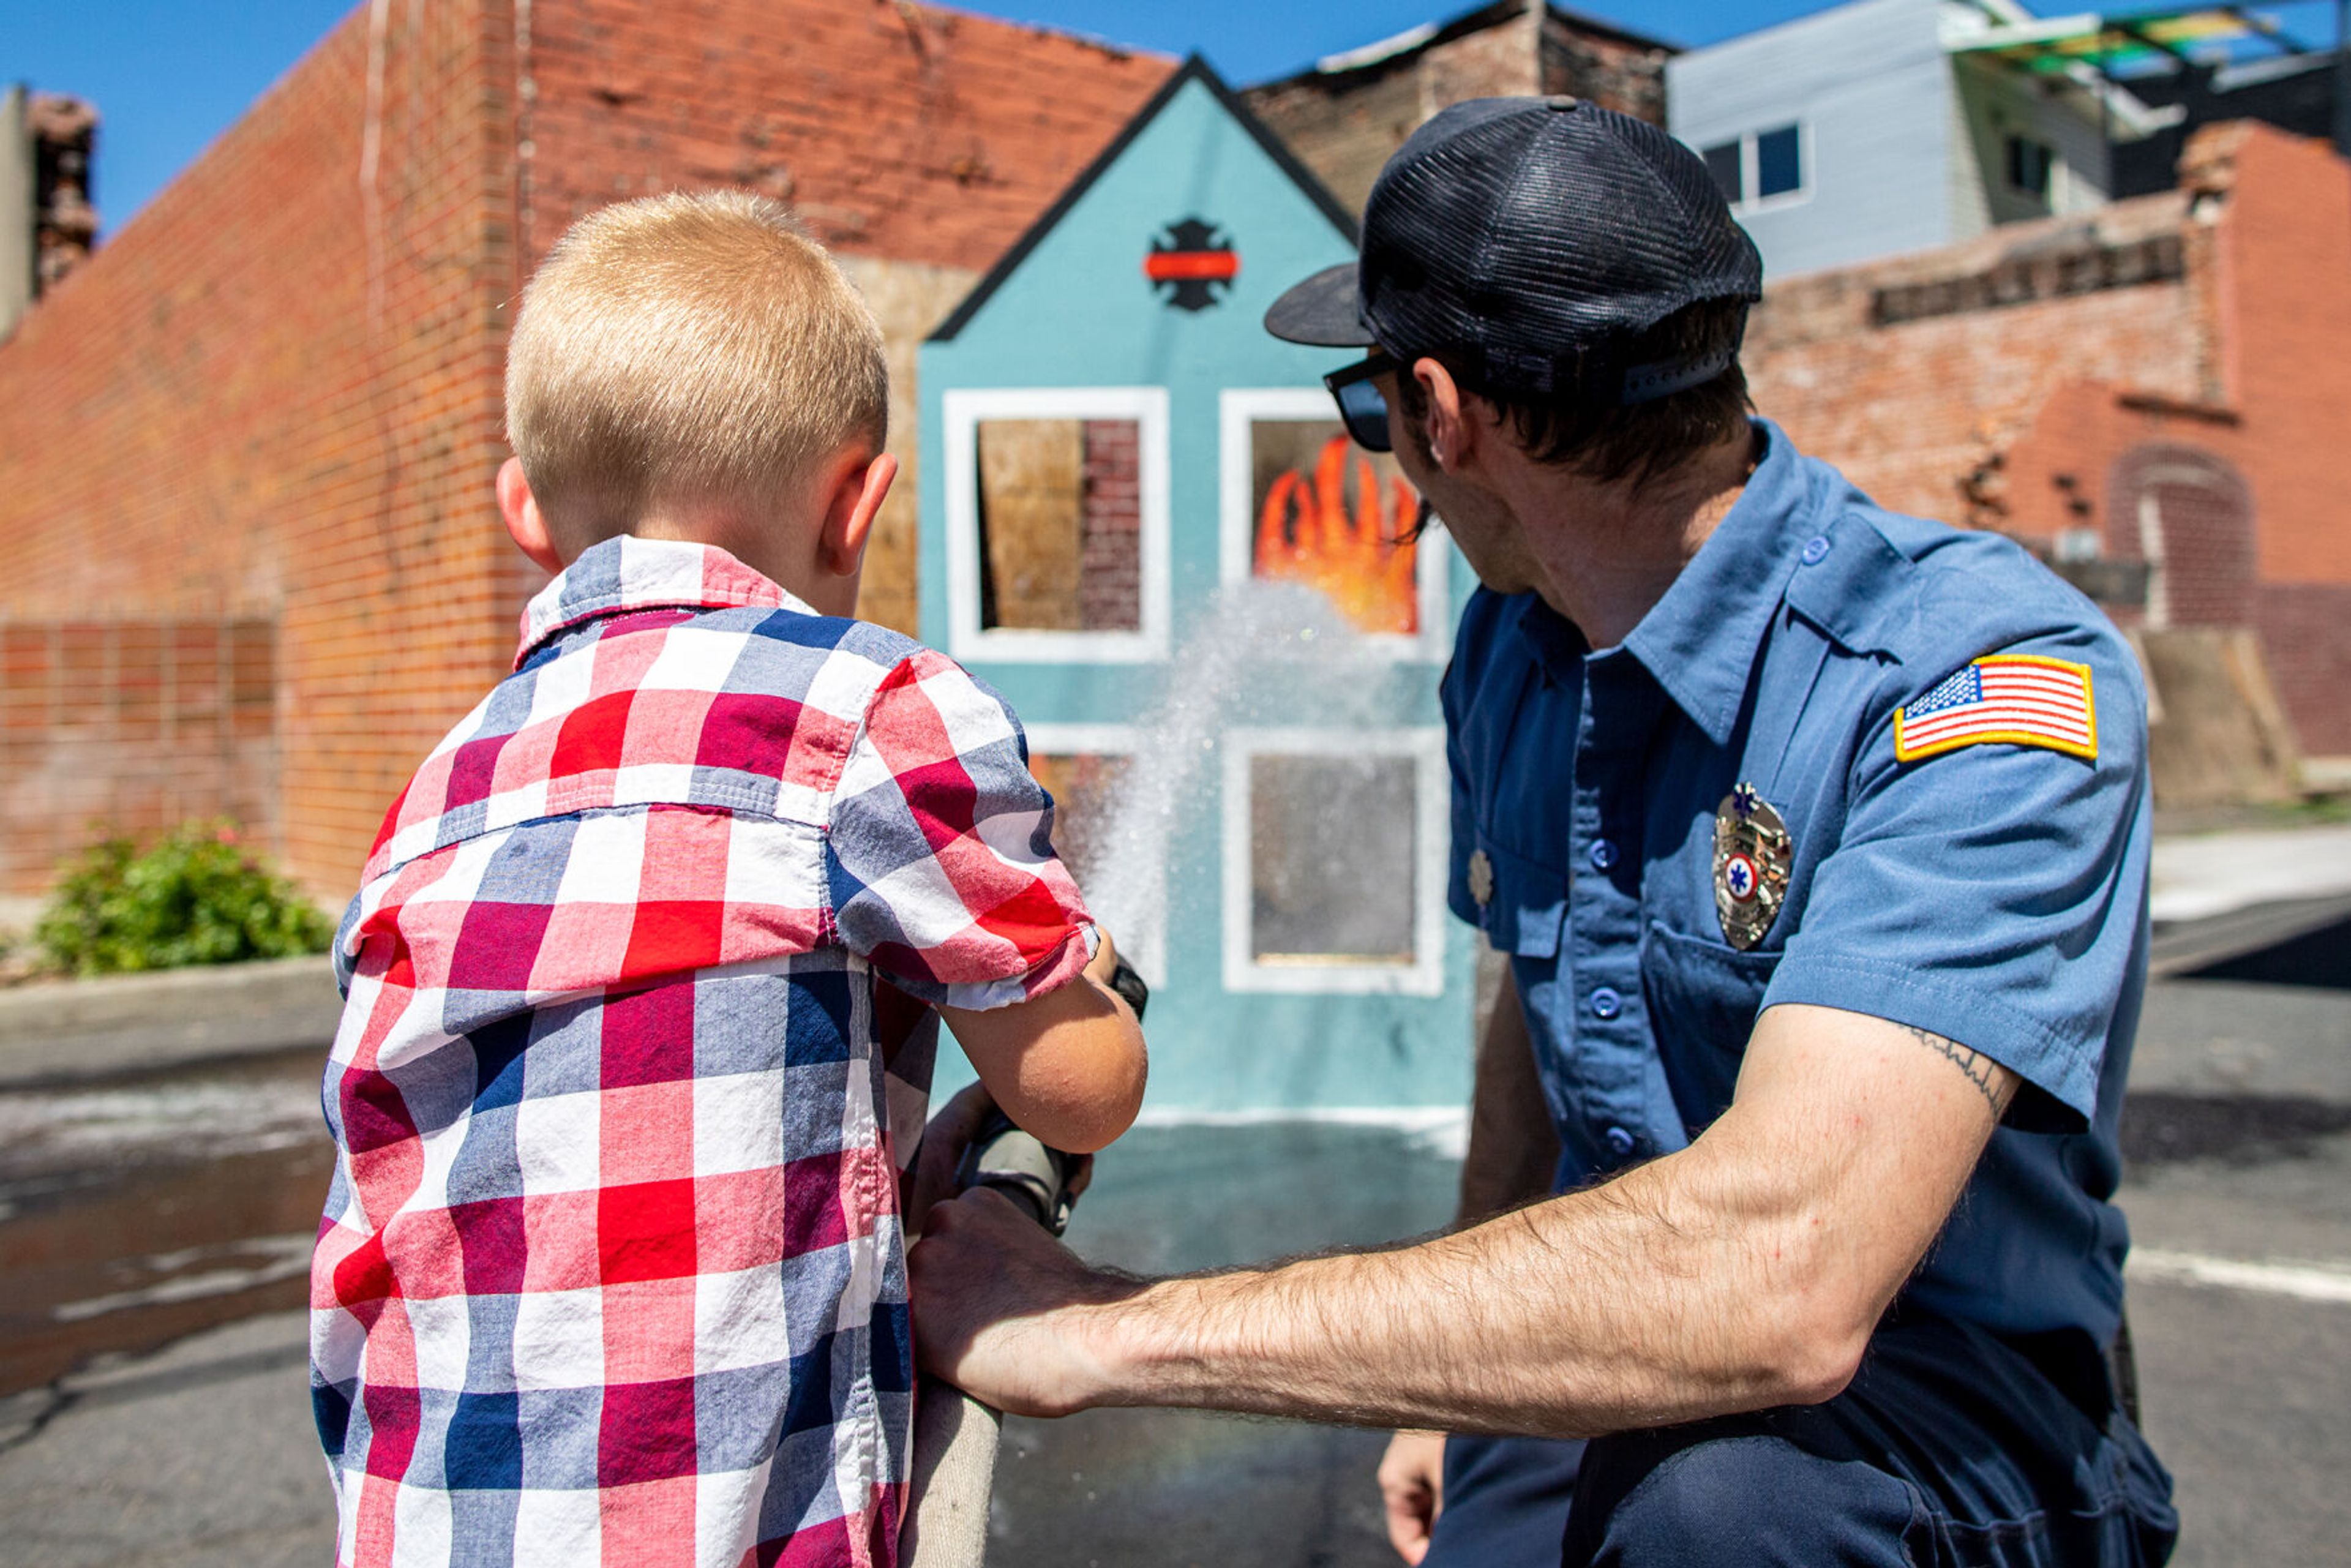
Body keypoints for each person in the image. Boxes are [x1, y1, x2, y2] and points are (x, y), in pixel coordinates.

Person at [909, 98, 2177, 1566]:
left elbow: (1786, 1279)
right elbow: (1537, 1000)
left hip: (1943, 1418)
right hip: (1613, 1353)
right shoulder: (1515, 650)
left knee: (1731, 1515)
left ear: (1437, 413)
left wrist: (1100, 1327)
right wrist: (1445, 1392)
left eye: (1368, 401)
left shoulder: (1976, 688)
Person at [306, 190, 1146, 1568]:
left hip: (430, 1524)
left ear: (525, 513)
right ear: (857, 500)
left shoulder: (437, 794)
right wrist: (1090, 986)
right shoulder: (864, 710)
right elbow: (1081, 1090)